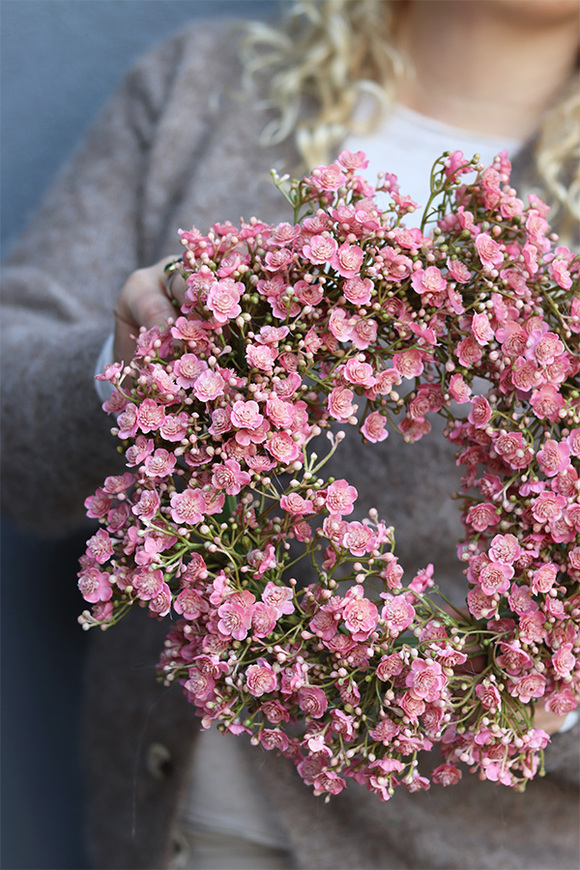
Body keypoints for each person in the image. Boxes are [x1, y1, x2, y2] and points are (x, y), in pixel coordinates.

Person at [2, 1, 579, 868]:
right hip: (177, 836)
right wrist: (127, 371)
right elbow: (13, 436)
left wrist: (545, 695)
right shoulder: (203, 88)